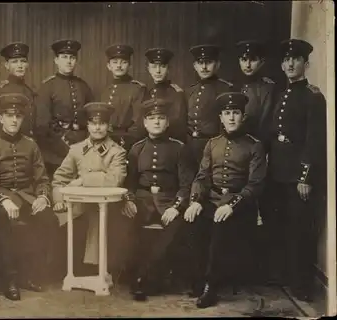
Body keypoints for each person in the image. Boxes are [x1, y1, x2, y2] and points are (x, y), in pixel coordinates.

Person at [182, 92, 267, 308]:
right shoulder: (212, 144)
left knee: (220, 227)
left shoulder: (254, 145)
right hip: (212, 200)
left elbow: (255, 185)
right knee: (192, 221)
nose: (231, 118)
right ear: (220, 117)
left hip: (240, 206)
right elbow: (202, 177)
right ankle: (197, 279)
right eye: (227, 113)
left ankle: (212, 286)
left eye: (235, 113)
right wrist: (195, 201)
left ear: (242, 116)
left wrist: (232, 205)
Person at [0, 93, 60, 301]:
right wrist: (3, 200)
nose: (14, 120)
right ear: (1, 118)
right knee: (2, 221)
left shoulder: (31, 145)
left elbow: (42, 179)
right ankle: (9, 279)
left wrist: (42, 197)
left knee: (48, 218)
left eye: (18, 116)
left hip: (26, 197)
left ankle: (32, 275)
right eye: (9, 115)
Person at [262, 39, 327, 302]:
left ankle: (302, 285)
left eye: (296, 60)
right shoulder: (281, 93)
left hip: (297, 177)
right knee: (280, 226)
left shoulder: (313, 96)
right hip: (277, 172)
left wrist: (305, 177)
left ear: (306, 64)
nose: (290, 64)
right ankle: (284, 276)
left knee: (301, 231)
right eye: (286, 60)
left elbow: (314, 141)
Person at [123, 98, 195, 301]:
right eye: (152, 118)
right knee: (127, 229)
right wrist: (128, 200)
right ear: (144, 123)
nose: (156, 122)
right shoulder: (137, 149)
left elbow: (186, 184)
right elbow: (130, 183)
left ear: (167, 122)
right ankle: (134, 276)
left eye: (161, 118)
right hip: (141, 200)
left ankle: (143, 279)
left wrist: (177, 206)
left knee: (172, 231)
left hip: (168, 201)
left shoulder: (179, 148)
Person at [52, 102, 129, 278]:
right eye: (93, 123)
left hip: (106, 206)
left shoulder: (117, 152)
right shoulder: (76, 150)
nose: (97, 128)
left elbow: (114, 180)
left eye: (101, 123)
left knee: (98, 218)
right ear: (87, 125)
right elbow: (59, 179)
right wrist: (59, 200)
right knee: (57, 222)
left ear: (108, 126)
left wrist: (82, 181)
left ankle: (94, 269)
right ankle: (68, 271)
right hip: (77, 205)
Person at [35, 39, 94, 176]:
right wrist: (62, 145)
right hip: (56, 149)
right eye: (64, 57)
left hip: (83, 145)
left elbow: (92, 117)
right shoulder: (47, 86)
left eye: (72, 57)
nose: (69, 61)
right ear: (56, 60)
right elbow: (42, 124)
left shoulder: (83, 86)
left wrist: (85, 144)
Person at [185, 44, 235, 170]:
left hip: (213, 145)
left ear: (217, 65)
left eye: (208, 62)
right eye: (200, 63)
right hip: (190, 146)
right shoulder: (190, 90)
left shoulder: (225, 89)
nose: (204, 67)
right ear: (195, 66)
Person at [100, 44, 146, 150]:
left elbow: (138, 125)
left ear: (129, 66)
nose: (119, 66)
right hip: (105, 141)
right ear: (109, 66)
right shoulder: (106, 90)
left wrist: (125, 142)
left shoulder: (138, 89)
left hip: (126, 142)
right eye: (115, 62)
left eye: (123, 62)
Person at [235, 40, 277, 145]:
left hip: (256, 144)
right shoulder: (232, 86)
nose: (248, 65)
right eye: (244, 60)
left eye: (253, 60)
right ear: (239, 61)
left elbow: (265, 123)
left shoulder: (267, 88)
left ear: (262, 62)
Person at [144, 48, 187, 142]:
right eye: (154, 67)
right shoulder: (145, 92)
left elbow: (179, 125)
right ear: (149, 69)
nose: (158, 71)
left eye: (162, 66)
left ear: (168, 69)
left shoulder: (176, 93)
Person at [0, 42, 36, 137]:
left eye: (23, 61)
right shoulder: (2, 90)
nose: (20, 65)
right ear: (6, 65)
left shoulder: (30, 90)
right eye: (15, 62)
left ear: (27, 64)